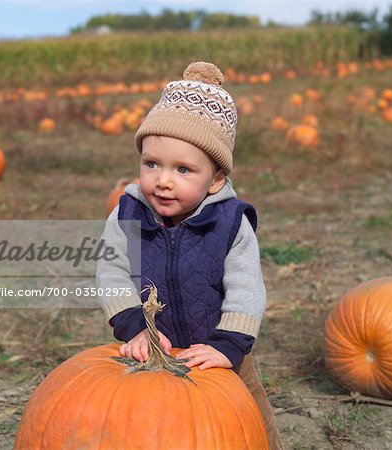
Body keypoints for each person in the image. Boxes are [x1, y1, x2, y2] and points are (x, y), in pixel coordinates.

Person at [96, 61, 283, 450]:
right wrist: (134, 327)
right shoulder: (127, 213)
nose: (163, 180)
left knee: (250, 423)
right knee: (149, 429)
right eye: (152, 164)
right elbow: (111, 270)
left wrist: (229, 345)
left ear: (216, 179)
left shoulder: (231, 223)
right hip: (152, 351)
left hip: (218, 353)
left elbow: (247, 289)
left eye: (183, 169)